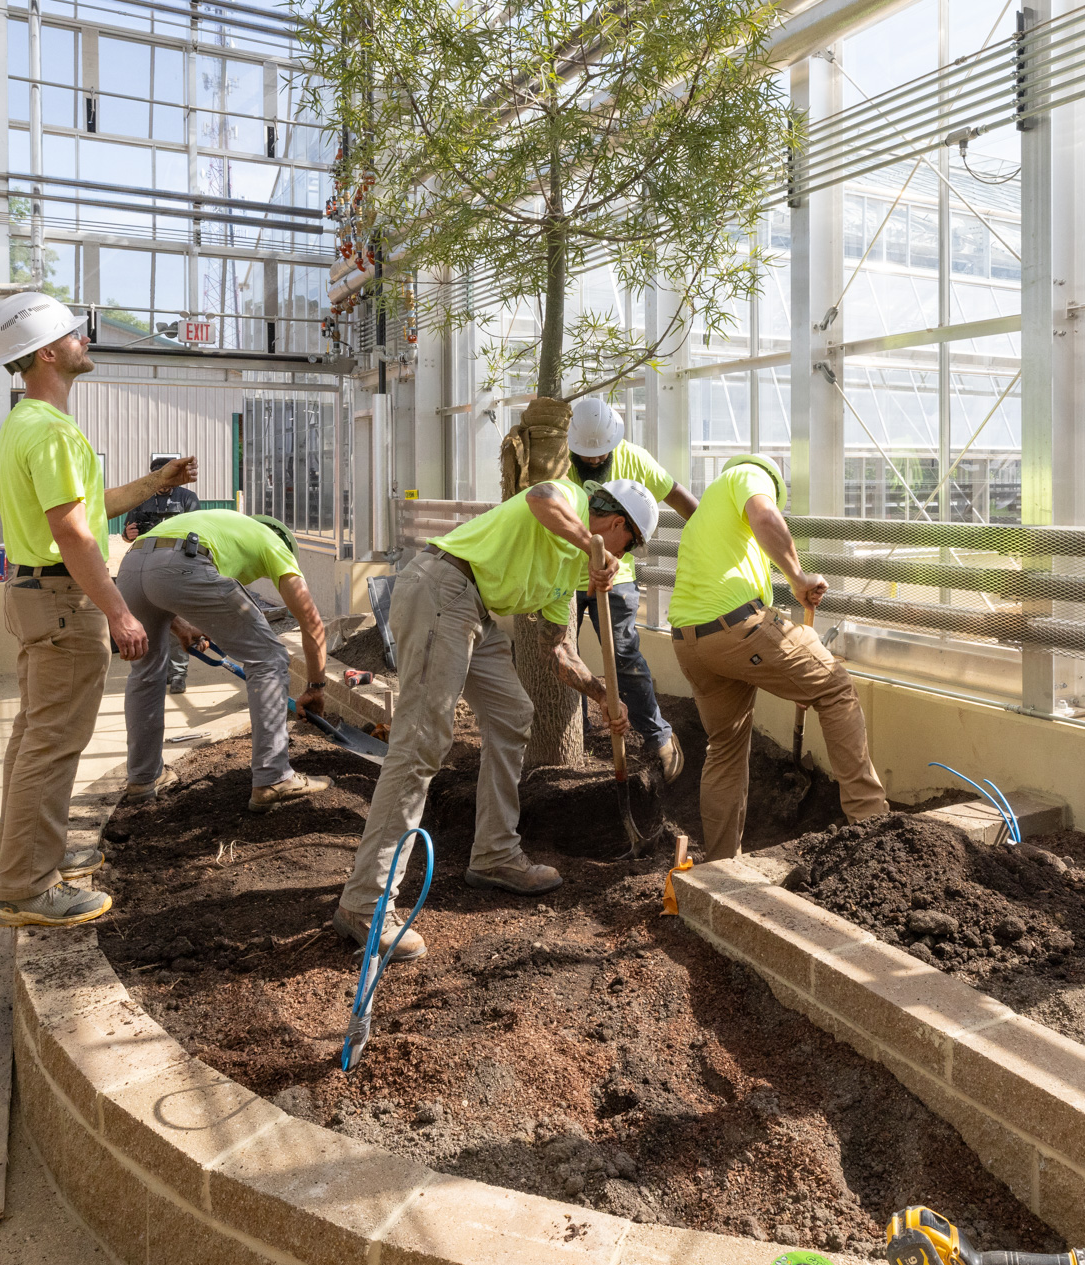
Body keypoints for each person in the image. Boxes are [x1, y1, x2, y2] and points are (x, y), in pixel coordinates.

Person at [334, 476, 659, 963]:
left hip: (475, 611)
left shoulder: (569, 573)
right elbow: (540, 500)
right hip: (443, 588)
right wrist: (593, 548)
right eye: (626, 545)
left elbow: (560, 653)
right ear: (615, 526)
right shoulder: (569, 498)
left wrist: (603, 695)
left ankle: (494, 855)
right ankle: (367, 904)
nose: (622, 557)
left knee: (513, 712)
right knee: (421, 743)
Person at [0, 290, 197, 929]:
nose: (85, 339)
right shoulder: (48, 429)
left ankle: (34, 859)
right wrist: (117, 611)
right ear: (47, 352)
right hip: (60, 599)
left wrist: (154, 485)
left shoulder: (27, 424)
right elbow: (74, 534)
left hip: (34, 595)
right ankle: (26, 887)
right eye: (75, 334)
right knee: (52, 743)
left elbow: (85, 508)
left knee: (33, 739)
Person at [668, 454, 888, 861]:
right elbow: (767, 518)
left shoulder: (711, 515)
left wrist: (797, 677)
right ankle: (872, 824)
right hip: (736, 627)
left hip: (689, 642)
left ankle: (721, 866)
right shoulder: (749, 475)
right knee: (836, 688)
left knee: (726, 747)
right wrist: (798, 577)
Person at [117, 509, 331, 813]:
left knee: (146, 671)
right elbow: (311, 622)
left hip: (132, 566)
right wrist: (316, 687)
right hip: (183, 561)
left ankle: (143, 778)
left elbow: (155, 578)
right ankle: (274, 777)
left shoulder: (223, 526)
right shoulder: (274, 544)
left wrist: (182, 626)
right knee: (269, 657)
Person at [568, 397, 698, 785]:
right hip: (563, 576)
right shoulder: (557, 460)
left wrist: (709, 526)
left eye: (600, 456)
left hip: (616, 571)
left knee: (623, 653)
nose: (593, 462)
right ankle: (580, 734)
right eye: (585, 456)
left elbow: (676, 494)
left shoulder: (635, 458)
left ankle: (657, 736)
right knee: (565, 657)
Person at [123, 457, 200, 693]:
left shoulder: (188, 499)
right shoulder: (140, 497)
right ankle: (159, 673)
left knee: (176, 619)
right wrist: (128, 533)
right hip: (143, 562)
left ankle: (178, 674)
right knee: (150, 622)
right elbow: (126, 535)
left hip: (174, 563)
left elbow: (197, 532)